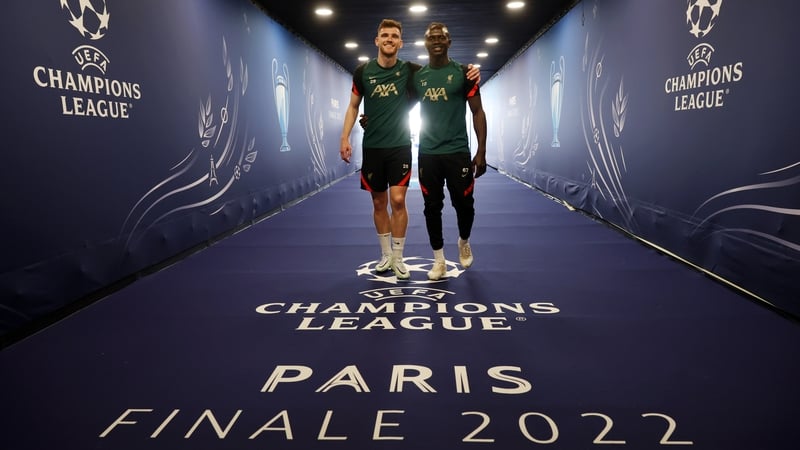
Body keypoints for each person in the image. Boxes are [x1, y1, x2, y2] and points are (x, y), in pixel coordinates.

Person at [340, 19, 480, 280]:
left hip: (403, 145)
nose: (389, 39)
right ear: (377, 40)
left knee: (399, 200)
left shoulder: (411, 71)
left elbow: (439, 69)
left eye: (394, 36)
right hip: (374, 147)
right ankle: (388, 256)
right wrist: (346, 135)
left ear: (401, 43)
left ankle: (401, 256)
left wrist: (470, 70)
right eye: (385, 35)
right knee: (381, 202)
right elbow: (354, 106)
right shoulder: (362, 72)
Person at [410, 22, 487, 281]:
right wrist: (370, 120)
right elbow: (395, 106)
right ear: (425, 43)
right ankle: (439, 260)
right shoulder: (418, 77)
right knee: (432, 207)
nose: (436, 40)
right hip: (428, 154)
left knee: (464, 205)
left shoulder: (465, 73)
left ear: (449, 42)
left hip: (457, 152)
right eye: (431, 37)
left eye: (441, 36)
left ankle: (463, 240)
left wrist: (481, 152)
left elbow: (478, 111)